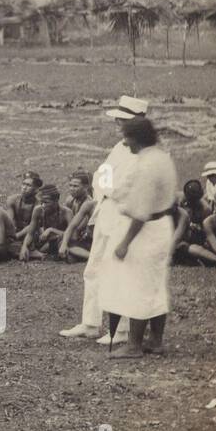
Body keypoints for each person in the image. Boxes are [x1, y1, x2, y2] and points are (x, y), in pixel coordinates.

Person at [60, 95, 147, 344]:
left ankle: (120, 330)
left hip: (125, 214)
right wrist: (105, 185)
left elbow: (124, 186)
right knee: (95, 266)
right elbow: (100, 177)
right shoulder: (120, 147)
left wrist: (107, 185)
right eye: (118, 120)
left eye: (123, 120)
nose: (118, 124)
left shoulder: (143, 150)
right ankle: (90, 322)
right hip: (106, 211)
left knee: (119, 271)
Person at [99, 115, 179, 358]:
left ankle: (134, 344)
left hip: (145, 229)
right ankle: (155, 340)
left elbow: (141, 212)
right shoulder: (161, 157)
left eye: (127, 138)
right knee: (155, 284)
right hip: (162, 224)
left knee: (138, 284)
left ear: (137, 138)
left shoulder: (147, 165)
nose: (125, 143)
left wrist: (125, 242)